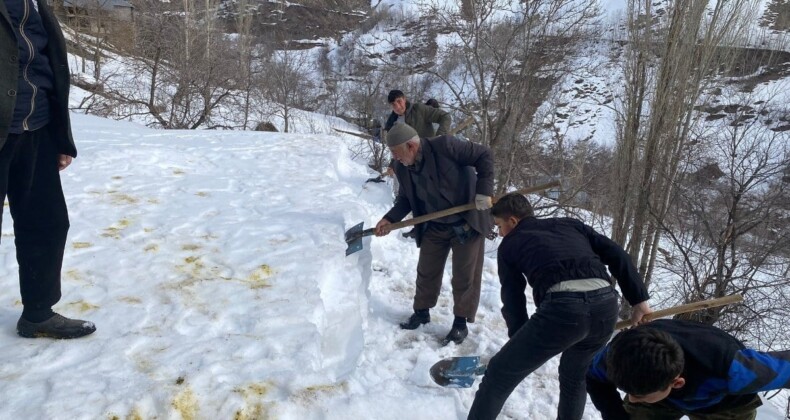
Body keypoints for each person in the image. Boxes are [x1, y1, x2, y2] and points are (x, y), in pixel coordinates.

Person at [467, 193, 652, 420]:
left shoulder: (510, 244)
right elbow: (618, 254)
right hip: (606, 307)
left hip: (564, 311)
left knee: (498, 375)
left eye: (499, 226)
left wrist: (519, 340)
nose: (500, 232)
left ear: (513, 221)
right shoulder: (571, 225)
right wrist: (639, 300)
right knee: (575, 377)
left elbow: (513, 297)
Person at [1, 0, 96, 338]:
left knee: (47, 223)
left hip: (36, 129)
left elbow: (46, 66)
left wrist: (60, 136)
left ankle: (38, 313)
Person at [374, 123, 493, 346]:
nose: (395, 159)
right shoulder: (402, 167)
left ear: (411, 145)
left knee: (464, 276)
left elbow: (484, 155)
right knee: (426, 271)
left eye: (396, 153)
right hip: (434, 224)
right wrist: (389, 219)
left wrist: (484, 191)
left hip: (466, 221)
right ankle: (421, 312)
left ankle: (460, 323)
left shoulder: (446, 146)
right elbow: (405, 200)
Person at [587, 319, 790, 419]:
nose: (630, 399)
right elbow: (593, 378)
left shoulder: (733, 370)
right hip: (657, 392)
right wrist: (615, 415)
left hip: (726, 406)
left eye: (638, 395)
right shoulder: (618, 355)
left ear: (676, 383)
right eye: (629, 392)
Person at [384, 90, 450, 138]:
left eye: (399, 101)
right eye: (393, 104)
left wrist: (440, 136)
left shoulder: (418, 109)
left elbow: (445, 116)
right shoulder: (391, 123)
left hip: (428, 153)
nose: (398, 106)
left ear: (404, 99)